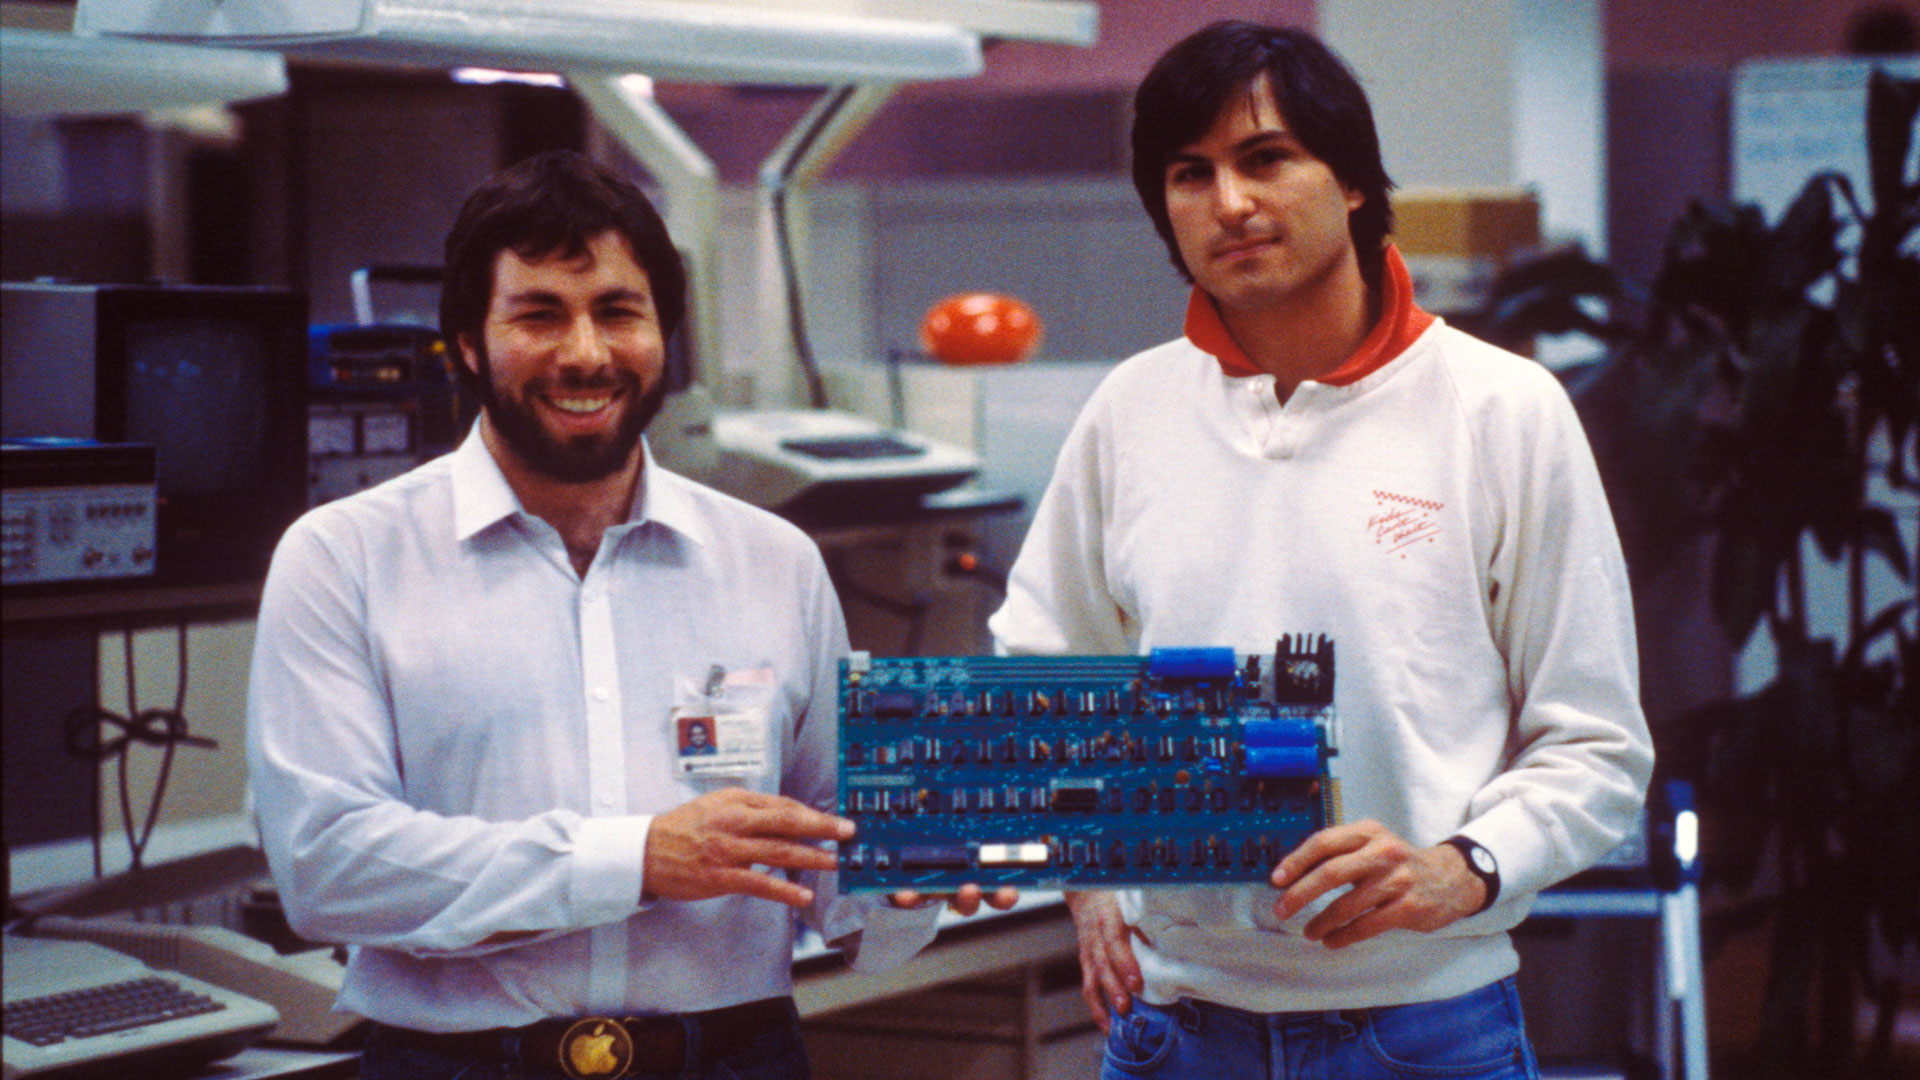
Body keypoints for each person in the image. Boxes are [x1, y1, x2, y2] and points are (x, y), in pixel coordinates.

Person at [248, 149, 1010, 1080]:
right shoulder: (344, 558)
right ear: (469, 343)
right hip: (458, 1064)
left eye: (618, 311)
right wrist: (638, 857)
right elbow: (328, 865)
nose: (586, 353)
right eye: (539, 314)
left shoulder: (774, 560)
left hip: (735, 1059)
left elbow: (820, 839)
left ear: (663, 338)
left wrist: (904, 876)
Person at [987, 21, 1654, 1079]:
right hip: (1175, 1028)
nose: (1232, 203)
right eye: (1191, 174)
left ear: (1349, 181)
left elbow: (1600, 747)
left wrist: (1466, 867)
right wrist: (1088, 880)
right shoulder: (1130, 410)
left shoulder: (1501, 409)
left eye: (1266, 158)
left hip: (1426, 1026)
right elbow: (1042, 678)